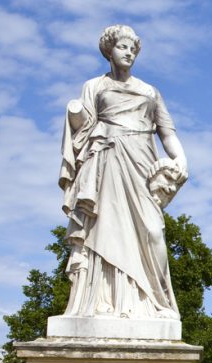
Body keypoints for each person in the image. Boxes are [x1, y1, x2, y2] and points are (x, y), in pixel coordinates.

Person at [59, 25, 188, 320]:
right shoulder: (94, 86)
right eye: (122, 47)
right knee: (104, 229)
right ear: (109, 51)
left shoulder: (149, 92)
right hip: (106, 160)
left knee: (153, 232)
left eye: (133, 48)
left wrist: (181, 160)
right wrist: (76, 114)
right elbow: (84, 130)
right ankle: (102, 301)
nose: (128, 53)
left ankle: (158, 302)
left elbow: (167, 133)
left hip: (142, 164)